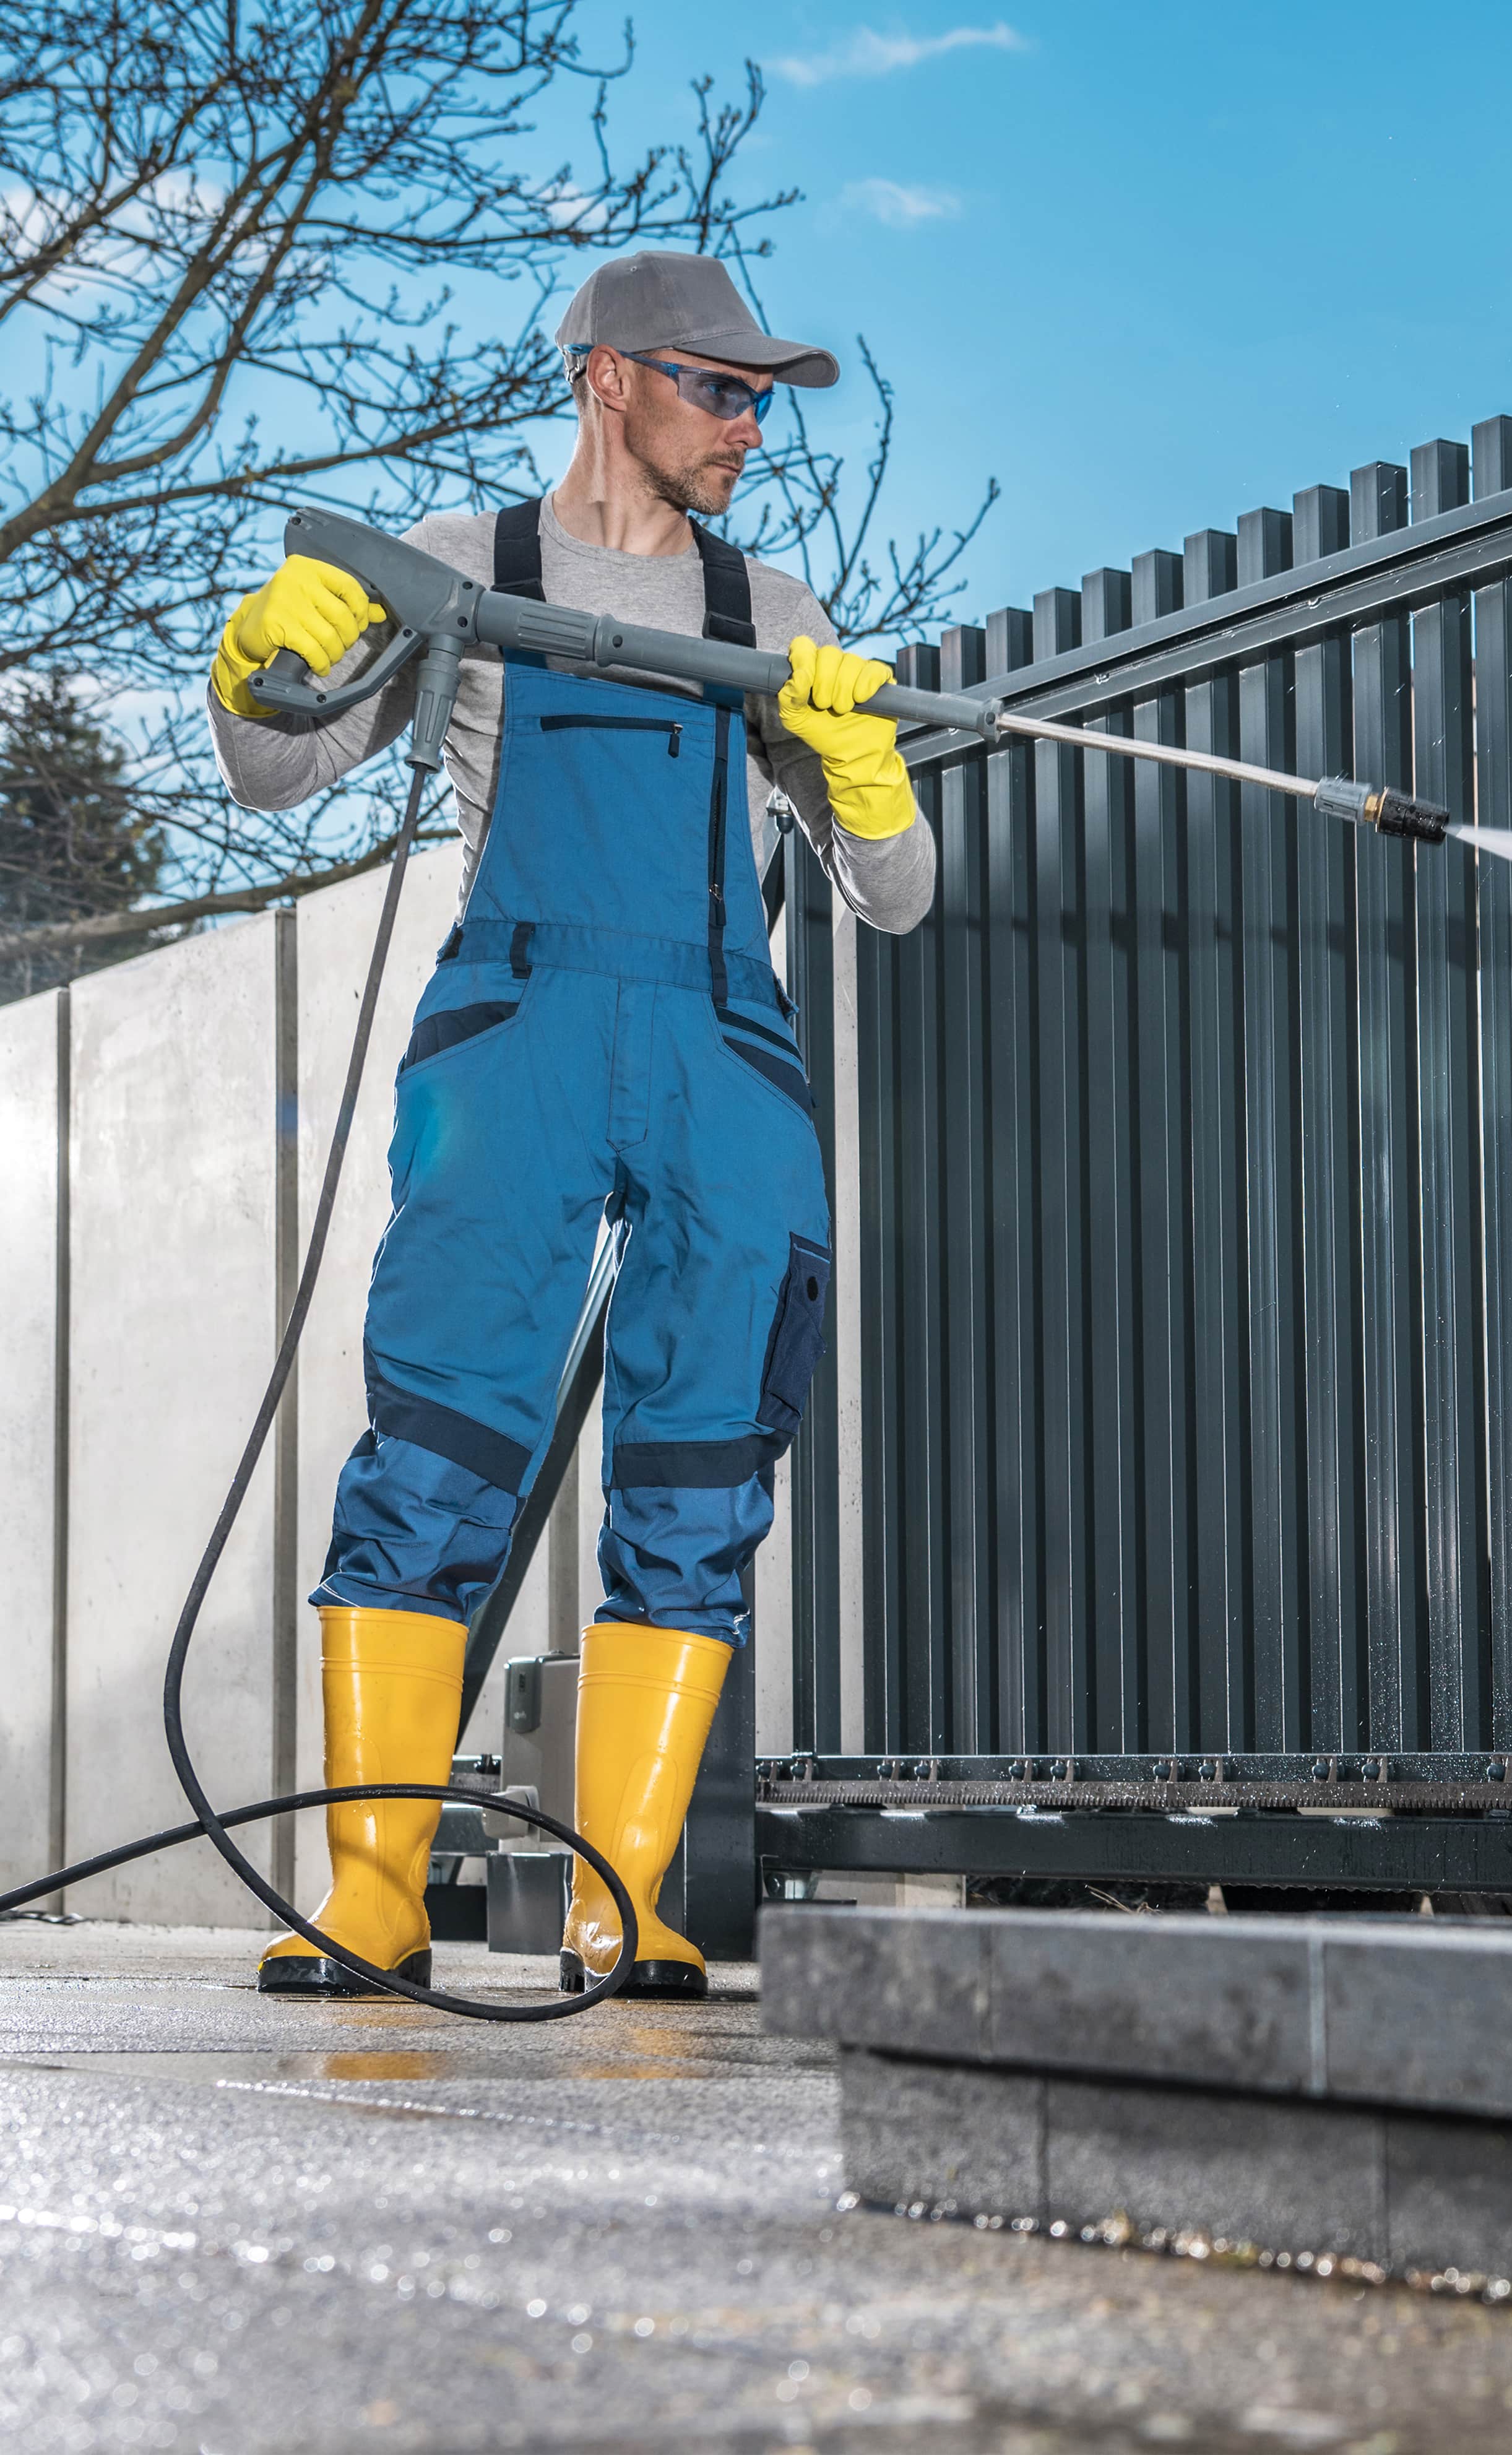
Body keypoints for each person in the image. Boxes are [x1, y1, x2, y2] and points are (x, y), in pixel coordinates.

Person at [206, 251, 934, 2000]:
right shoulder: (466, 573)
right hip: (516, 1039)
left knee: (698, 1478)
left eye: (765, 398)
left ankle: (624, 1903)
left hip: (717, 1044)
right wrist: (260, 660)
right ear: (610, 376)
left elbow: (895, 901)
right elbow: (275, 767)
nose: (752, 425)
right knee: (439, 1449)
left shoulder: (779, 609)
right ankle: (377, 1890)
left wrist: (861, 770)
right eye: (720, 388)